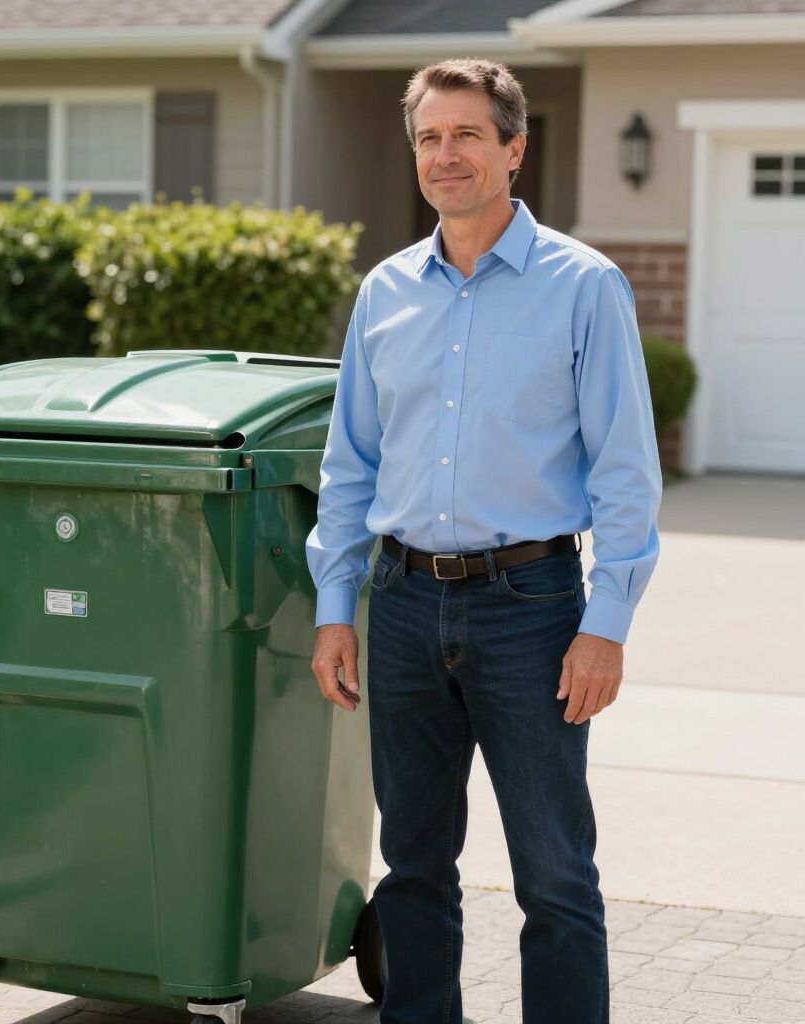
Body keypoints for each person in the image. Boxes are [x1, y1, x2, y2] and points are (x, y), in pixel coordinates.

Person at [306, 58, 662, 1024]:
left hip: (533, 610)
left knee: (553, 874)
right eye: (429, 136)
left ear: (514, 148)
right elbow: (351, 470)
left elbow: (625, 473)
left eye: (467, 134)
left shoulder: (583, 287)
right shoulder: (386, 293)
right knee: (414, 867)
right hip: (404, 599)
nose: (445, 155)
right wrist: (336, 609)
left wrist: (608, 623)